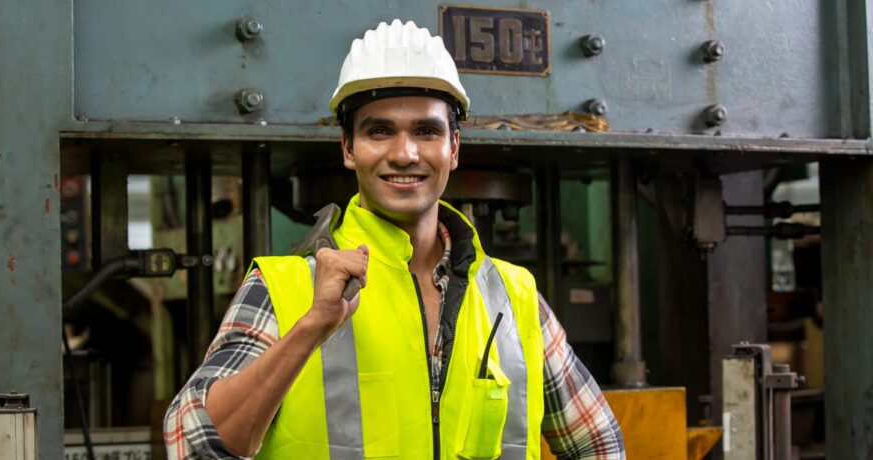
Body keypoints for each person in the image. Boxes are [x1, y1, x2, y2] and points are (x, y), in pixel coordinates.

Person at [165, 19, 625, 459]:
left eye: (426, 131)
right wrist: (312, 326)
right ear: (349, 149)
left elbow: (599, 443)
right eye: (379, 131)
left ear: (454, 148)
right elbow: (194, 442)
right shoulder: (286, 290)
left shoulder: (514, 297)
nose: (404, 154)